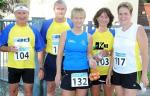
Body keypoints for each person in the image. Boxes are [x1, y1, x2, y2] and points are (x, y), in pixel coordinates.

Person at [0, 4, 45, 96]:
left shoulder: (34, 30)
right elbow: (0, 46)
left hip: (28, 66)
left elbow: (40, 50)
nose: (22, 15)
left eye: (24, 13)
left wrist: (41, 68)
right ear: (15, 14)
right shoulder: (9, 29)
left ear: (28, 14)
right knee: (13, 92)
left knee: (28, 92)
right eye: (19, 13)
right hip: (13, 66)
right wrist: (8, 48)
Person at [106, 2, 149, 96]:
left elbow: (145, 54)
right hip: (117, 72)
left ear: (131, 14)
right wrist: (110, 72)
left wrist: (144, 74)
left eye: (125, 14)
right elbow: (114, 54)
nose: (122, 16)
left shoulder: (138, 29)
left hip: (132, 72)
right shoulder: (117, 31)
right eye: (120, 14)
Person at [55, 7, 96, 96]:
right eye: (76, 18)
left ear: (84, 19)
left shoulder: (88, 36)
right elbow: (59, 55)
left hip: (82, 71)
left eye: (81, 18)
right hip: (68, 71)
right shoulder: (65, 34)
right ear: (72, 19)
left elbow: (89, 54)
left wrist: (91, 60)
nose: (78, 20)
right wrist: (58, 73)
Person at [40, 0, 73, 95]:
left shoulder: (71, 23)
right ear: (54, 10)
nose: (60, 11)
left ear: (66, 10)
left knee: (67, 88)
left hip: (67, 58)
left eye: (62, 9)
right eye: (58, 9)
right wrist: (41, 67)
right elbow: (42, 47)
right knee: (50, 87)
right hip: (51, 59)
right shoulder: (47, 24)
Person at [90, 8, 114, 96]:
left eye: (106, 17)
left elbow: (114, 53)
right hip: (94, 71)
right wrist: (93, 58)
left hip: (108, 72)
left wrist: (108, 53)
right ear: (97, 18)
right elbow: (87, 53)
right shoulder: (91, 34)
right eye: (101, 16)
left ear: (109, 19)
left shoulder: (113, 34)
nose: (103, 19)